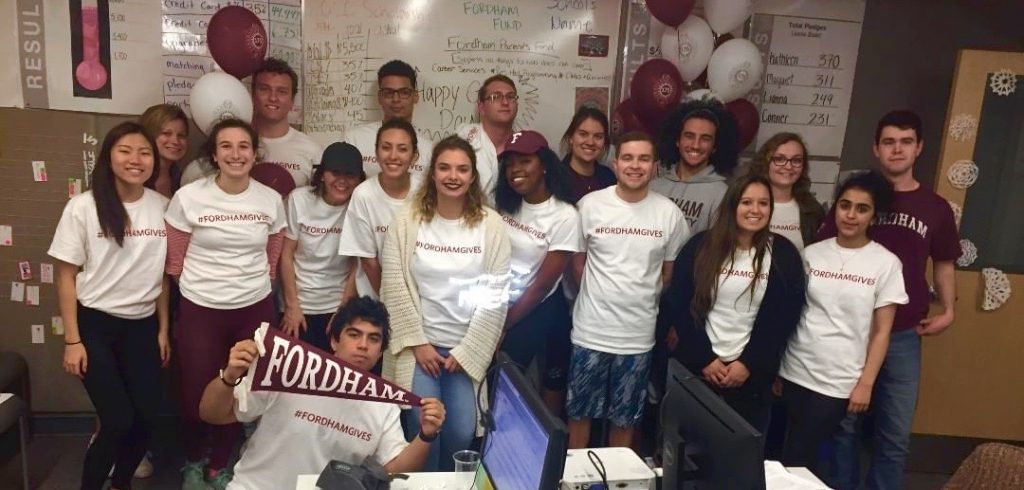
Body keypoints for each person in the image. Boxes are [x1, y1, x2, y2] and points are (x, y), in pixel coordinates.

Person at [823, 111, 961, 490]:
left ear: (919, 148)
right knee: (844, 430)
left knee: (894, 435)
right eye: (888, 142)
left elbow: (945, 262)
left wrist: (949, 310)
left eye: (905, 141)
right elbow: (823, 251)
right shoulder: (856, 199)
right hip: (848, 332)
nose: (896, 149)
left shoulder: (935, 208)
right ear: (876, 148)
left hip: (902, 333)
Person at [197, 297, 446, 490]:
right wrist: (229, 376)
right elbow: (212, 414)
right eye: (354, 334)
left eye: (373, 339)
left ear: (380, 352)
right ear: (334, 340)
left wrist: (426, 435)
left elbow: (393, 469)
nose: (363, 345)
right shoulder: (289, 370)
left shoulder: (384, 404)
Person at [165, 118, 287, 490]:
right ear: (214, 155)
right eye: (226, 146)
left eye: (243, 146)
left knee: (240, 391)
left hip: (253, 308)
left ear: (254, 153)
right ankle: (194, 460)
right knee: (196, 392)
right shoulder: (189, 197)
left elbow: (273, 256)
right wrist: (209, 289)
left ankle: (220, 463)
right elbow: (174, 263)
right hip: (201, 309)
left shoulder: (269, 199)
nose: (236, 154)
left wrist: (246, 288)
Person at [48, 122, 171, 490]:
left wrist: (163, 330)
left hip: (143, 325)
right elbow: (65, 276)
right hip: (96, 326)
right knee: (117, 420)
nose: (136, 160)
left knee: (147, 418)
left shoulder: (163, 208)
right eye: (125, 151)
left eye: (145, 152)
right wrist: (73, 340)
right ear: (108, 157)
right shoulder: (83, 207)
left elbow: (163, 276)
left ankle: (121, 483)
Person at [380, 135, 511, 471]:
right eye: (445, 168)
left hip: (463, 352)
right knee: (425, 432)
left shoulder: (491, 224)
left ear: (472, 177)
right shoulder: (407, 220)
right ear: (433, 173)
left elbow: (496, 295)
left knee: (461, 431)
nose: (453, 176)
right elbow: (393, 285)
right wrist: (418, 343)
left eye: (462, 169)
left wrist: (467, 351)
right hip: (420, 350)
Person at [778, 171, 908, 479]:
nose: (851, 215)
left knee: (805, 457)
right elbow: (792, 314)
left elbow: (881, 332)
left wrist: (865, 384)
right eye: (845, 205)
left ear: (874, 216)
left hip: (839, 380)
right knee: (787, 454)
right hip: (794, 370)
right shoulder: (811, 254)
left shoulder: (885, 263)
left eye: (862, 209)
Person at [568, 132, 689, 449]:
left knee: (625, 419)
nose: (635, 166)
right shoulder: (590, 206)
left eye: (644, 159)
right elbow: (578, 265)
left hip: (636, 338)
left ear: (655, 166)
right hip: (590, 333)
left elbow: (668, 274)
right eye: (628, 158)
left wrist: (637, 298)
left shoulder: (670, 215)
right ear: (615, 162)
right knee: (580, 415)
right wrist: (602, 296)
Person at [665, 174, 806, 433]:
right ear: (732, 206)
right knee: (690, 453)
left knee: (740, 459)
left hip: (751, 377)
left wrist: (748, 363)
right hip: (698, 369)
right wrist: (705, 358)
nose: (755, 210)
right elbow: (680, 303)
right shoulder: (701, 246)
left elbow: (784, 318)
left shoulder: (784, 254)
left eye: (763, 203)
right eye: (747, 202)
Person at [493, 130, 581, 414]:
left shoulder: (564, 215)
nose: (516, 170)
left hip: (533, 307)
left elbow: (543, 285)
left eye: (525, 161)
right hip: (497, 302)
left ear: (543, 165)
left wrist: (504, 323)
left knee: (510, 382)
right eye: (510, 164)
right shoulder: (506, 204)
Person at [180, 58, 321, 187]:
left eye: (282, 92)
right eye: (264, 89)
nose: (273, 98)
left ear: (292, 100)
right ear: (252, 95)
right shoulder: (232, 143)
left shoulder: (311, 150)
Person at [279, 143, 365, 352]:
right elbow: (286, 254)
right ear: (322, 174)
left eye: (350, 175)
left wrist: (345, 309)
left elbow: (358, 261)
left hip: (336, 306)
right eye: (335, 173)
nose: (342, 181)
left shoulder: (360, 205)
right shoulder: (299, 199)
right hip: (298, 304)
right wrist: (292, 306)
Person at [338, 119, 421, 298]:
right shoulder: (363, 195)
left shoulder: (425, 191)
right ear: (376, 152)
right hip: (376, 298)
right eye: (386, 147)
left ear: (415, 156)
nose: (393, 156)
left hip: (421, 296)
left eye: (402, 149)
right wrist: (390, 301)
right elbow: (368, 260)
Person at [651, 98, 740, 234]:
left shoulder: (723, 195)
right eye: (689, 136)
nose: (695, 145)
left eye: (705, 139)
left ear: (715, 146)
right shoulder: (654, 187)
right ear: (677, 140)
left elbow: (718, 247)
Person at [341, 59, 434, 182]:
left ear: (415, 96)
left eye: (404, 92)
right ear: (380, 97)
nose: (396, 99)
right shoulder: (354, 140)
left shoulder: (429, 150)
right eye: (388, 93)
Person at [747, 132, 825, 250]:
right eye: (779, 159)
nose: (788, 167)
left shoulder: (812, 211)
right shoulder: (744, 203)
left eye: (796, 160)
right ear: (765, 162)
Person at [457, 74, 519, 202]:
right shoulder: (462, 141)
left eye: (510, 97)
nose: (505, 102)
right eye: (495, 97)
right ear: (481, 107)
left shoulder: (525, 147)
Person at [560, 106, 616, 204]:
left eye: (598, 136)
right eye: (583, 134)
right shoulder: (555, 178)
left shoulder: (609, 178)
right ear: (571, 138)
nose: (590, 142)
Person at [139, 104, 189, 197]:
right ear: (148, 135)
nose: (175, 141)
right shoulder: (134, 177)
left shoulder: (182, 178)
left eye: (181, 135)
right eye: (166, 133)